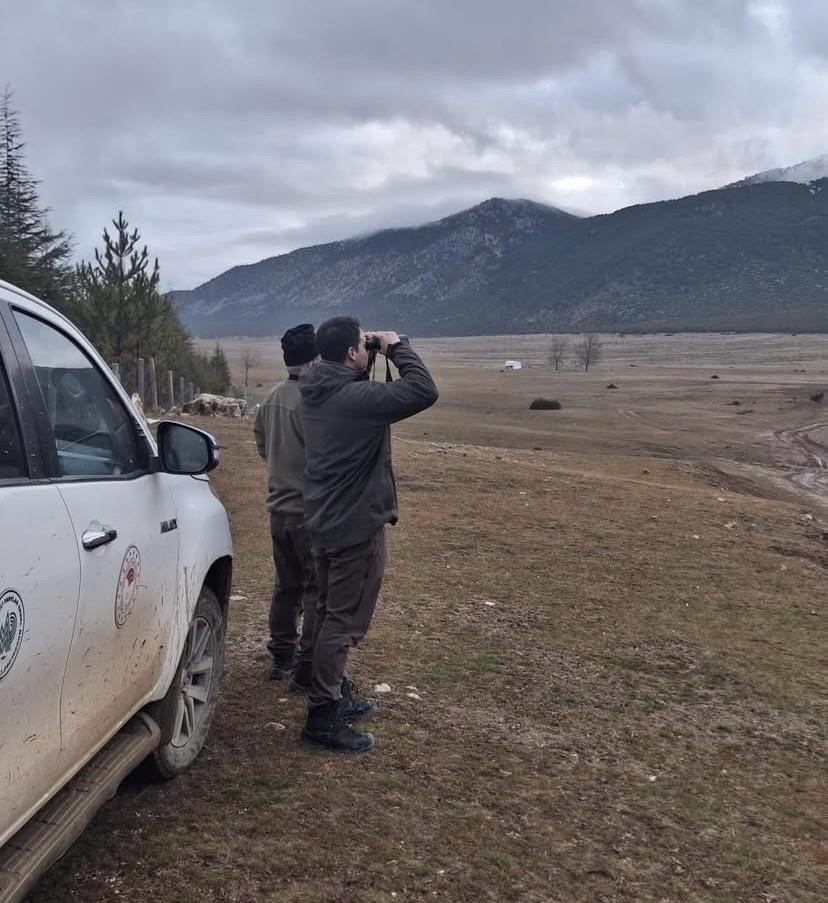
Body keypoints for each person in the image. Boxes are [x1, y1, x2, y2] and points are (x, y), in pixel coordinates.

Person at [299, 316, 438, 752]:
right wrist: (397, 346)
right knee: (342, 621)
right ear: (351, 354)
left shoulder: (317, 388)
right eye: (363, 344)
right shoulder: (354, 397)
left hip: (323, 519)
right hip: (354, 525)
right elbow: (423, 390)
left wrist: (370, 351)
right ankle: (323, 717)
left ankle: (334, 692)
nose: (368, 347)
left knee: (325, 611)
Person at [254, 324, 319, 686]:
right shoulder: (314, 402)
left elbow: (262, 444)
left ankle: (282, 657)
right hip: (309, 512)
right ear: (314, 360)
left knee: (286, 586)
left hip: (278, 509)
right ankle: (308, 663)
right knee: (314, 590)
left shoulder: (274, 397)